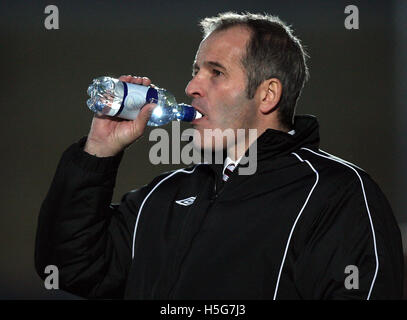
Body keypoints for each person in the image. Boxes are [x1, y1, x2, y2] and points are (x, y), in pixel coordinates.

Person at [35, 12, 404, 299]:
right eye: (195, 71)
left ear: (267, 95)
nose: (191, 86)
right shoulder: (163, 196)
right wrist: (97, 152)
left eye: (216, 72)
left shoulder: (337, 195)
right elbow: (69, 267)